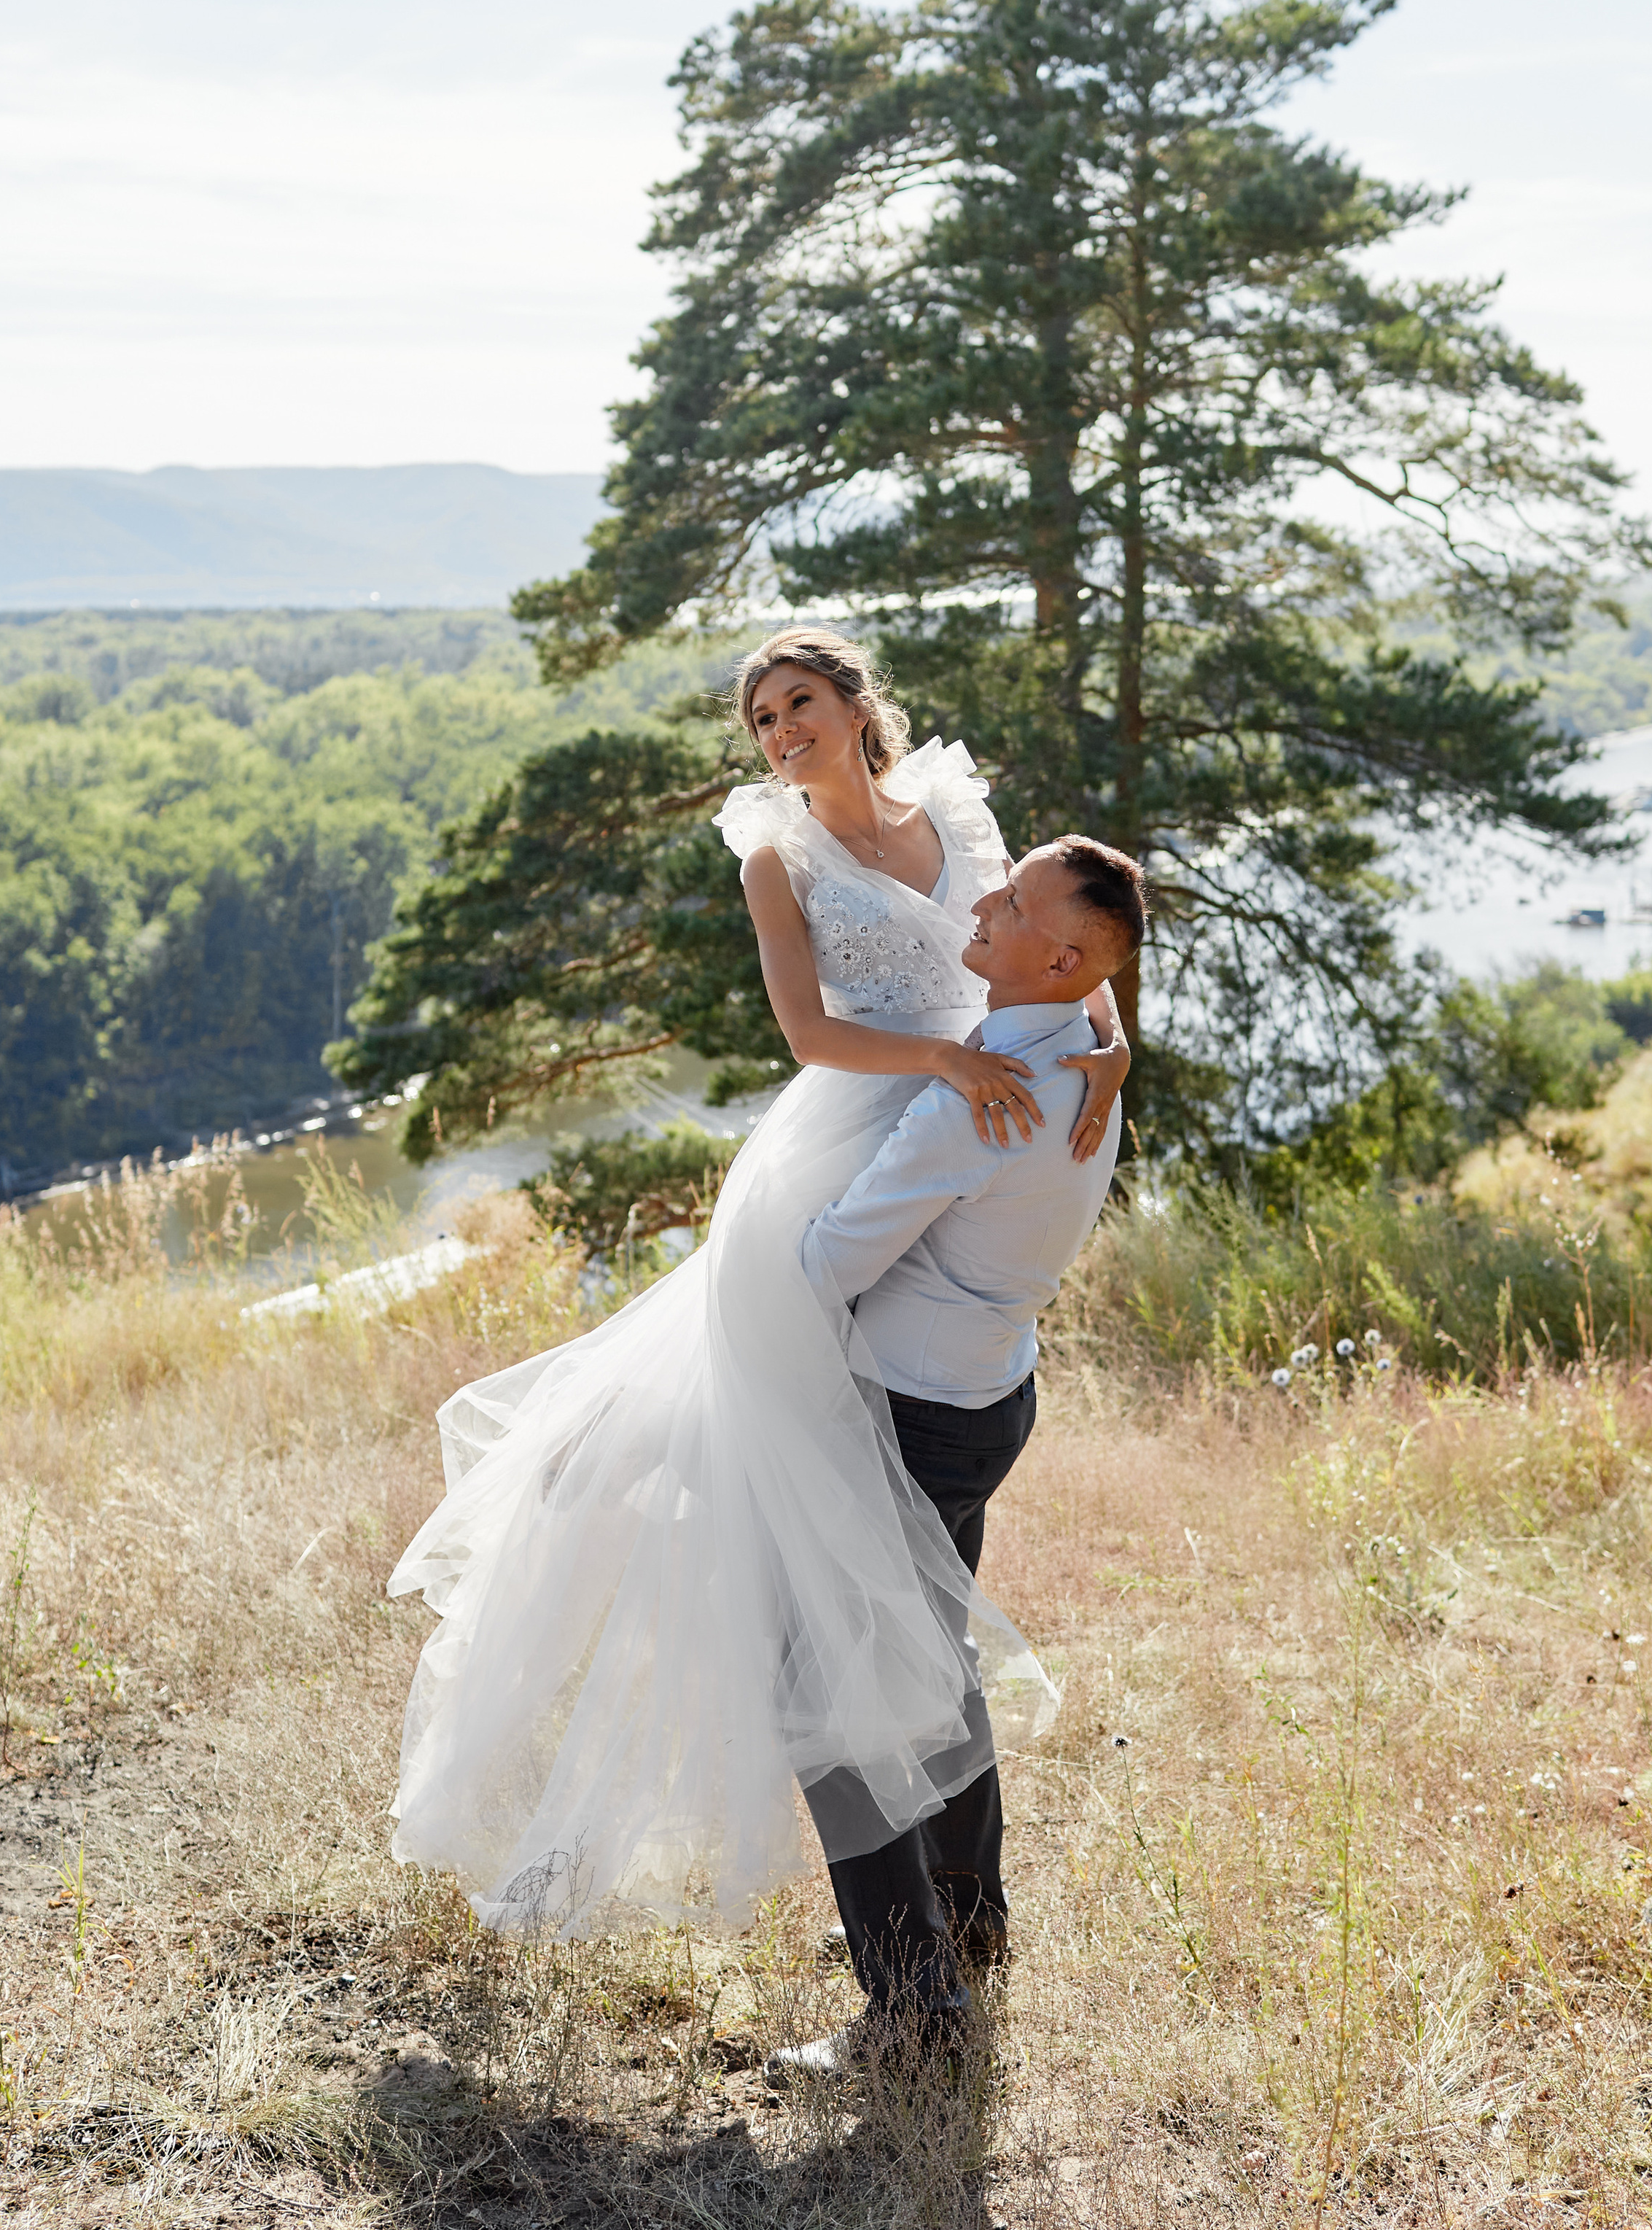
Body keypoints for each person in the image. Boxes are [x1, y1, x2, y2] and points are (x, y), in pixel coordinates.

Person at [385, 629, 1130, 1937]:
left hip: (981, 1118)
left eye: (800, 703)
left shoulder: (955, 807)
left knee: (905, 1578)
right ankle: (891, 1900)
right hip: (871, 1123)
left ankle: (943, 1923)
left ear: (856, 704)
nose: (782, 731)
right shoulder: (774, 855)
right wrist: (946, 1063)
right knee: (775, 1469)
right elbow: (807, 1031)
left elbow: (1058, 939)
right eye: (762, 719)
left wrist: (1109, 1050)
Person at [766, 834, 1148, 2081]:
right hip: (990, 1395)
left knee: (828, 1693)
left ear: (1062, 958)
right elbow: (1102, 986)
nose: (982, 900)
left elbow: (827, 1264)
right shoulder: (1086, 1050)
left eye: (1014, 900)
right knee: (929, 1663)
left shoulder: (974, 1106)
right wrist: (1119, 1037)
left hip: (912, 1413)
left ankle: (917, 2011)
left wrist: (759, 1219)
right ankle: (966, 1923)